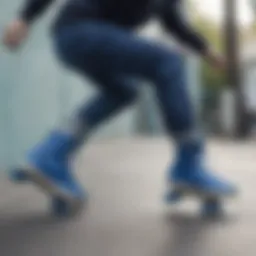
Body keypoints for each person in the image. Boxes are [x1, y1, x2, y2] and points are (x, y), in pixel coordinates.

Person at [3, 0, 236, 216]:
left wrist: (208, 52)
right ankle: (189, 165)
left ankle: (52, 153)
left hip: (79, 39)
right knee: (168, 62)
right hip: (81, 30)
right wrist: (25, 17)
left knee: (123, 91)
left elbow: (176, 26)